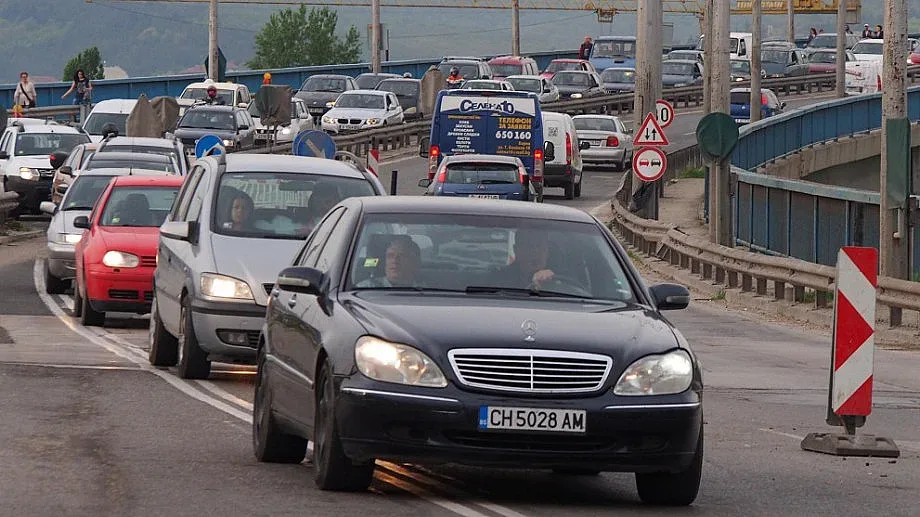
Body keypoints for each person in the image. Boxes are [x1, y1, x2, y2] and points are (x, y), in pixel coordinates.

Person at [356, 236, 422, 288]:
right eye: (390, 256)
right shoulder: (366, 287)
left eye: (402, 256)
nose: (394, 261)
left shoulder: (428, 289)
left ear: (414, 262)